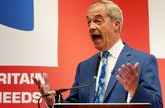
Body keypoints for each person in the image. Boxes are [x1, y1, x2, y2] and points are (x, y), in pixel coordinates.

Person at [35, 0, 163, 108]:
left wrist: (135, 90)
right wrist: (52, 102)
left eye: (98, 21)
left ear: (116, 25)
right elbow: (73, 105)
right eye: (89, 22)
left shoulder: (144, 61)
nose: (91, 27)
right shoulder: (84, 67)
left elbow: (157, 104)